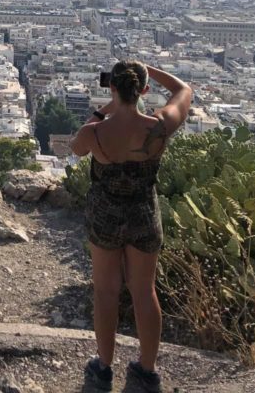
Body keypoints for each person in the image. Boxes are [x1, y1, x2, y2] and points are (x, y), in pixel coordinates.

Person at [70, 60, 192, 393]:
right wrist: (152, 68)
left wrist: (101, 112)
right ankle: (147, 372)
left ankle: (104, 368)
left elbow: (76, 150)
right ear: (144, 90)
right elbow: (184, 91)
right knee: (144, 291)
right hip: (143, 214)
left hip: (105, 214)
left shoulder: (95, 132)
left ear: (112, 88)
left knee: (106, 292)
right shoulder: (159, 126)